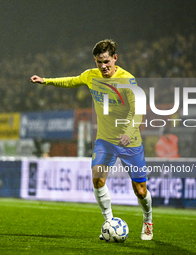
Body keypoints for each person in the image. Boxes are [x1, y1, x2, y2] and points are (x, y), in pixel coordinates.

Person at [30, 39, 153, 240]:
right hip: (105, 141)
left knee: (140, 190)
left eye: (106, 61)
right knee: (97, 180)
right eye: (99, 62)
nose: (103, 66)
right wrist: (46, 80)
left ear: (115, 58)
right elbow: (71, 81)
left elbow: (137, 112)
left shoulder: (128, 81)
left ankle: (148, 219)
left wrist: (129, 133)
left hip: (129, 143)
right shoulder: (91, 76)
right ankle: (109, 222)